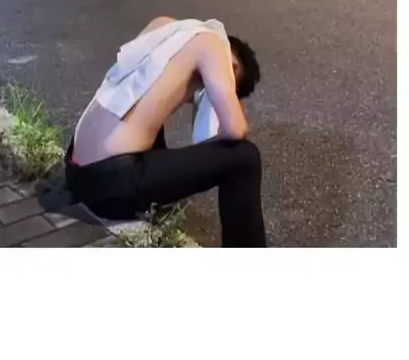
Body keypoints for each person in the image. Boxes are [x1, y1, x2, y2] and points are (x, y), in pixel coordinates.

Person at [65, 17, 266, 247]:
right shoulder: (214, 46)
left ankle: (155, 205)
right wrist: (233, 104)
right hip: (110, 189)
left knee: (148, 114)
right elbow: (236, 130)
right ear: (233, 67)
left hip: (76, 174)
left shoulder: (165, 27)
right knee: (245, 158)